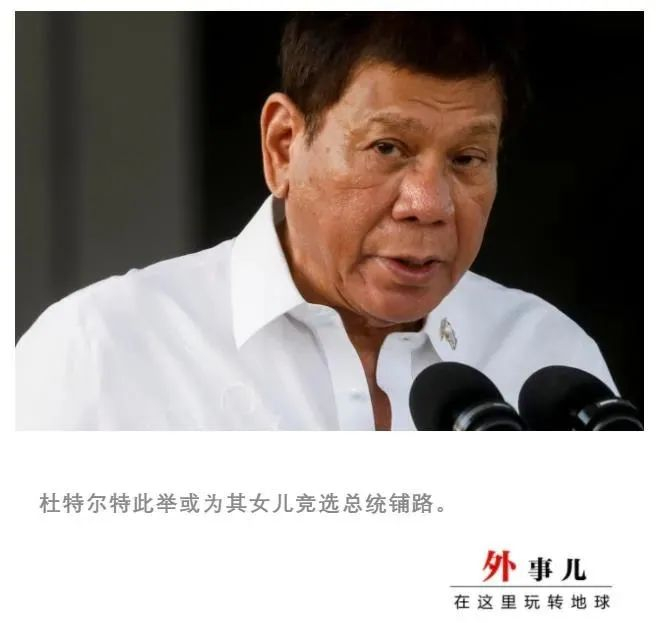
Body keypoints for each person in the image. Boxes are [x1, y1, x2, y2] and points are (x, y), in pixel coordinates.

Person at [16, 13, 616, 430]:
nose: (428, 203)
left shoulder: (549, 357)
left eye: (467, 159)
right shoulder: (102, 350)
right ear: (283, 146)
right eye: (387, 148)